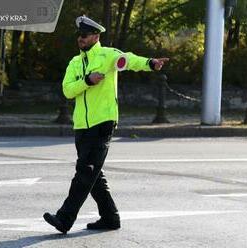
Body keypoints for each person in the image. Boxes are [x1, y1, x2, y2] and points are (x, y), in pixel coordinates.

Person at [43, 15, 169, 234]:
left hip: (103, 123)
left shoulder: (108, 55)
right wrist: (87, 81)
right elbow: (67, 90)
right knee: (94, 174)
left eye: (84, 35)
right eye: (79, 35)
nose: (80, 39)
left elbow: (130, 60)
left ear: (96, 36)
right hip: (81, 125)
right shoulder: (74, 62)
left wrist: (151, 63)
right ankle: (110, 218)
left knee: (85, 171)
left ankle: (64, 219)